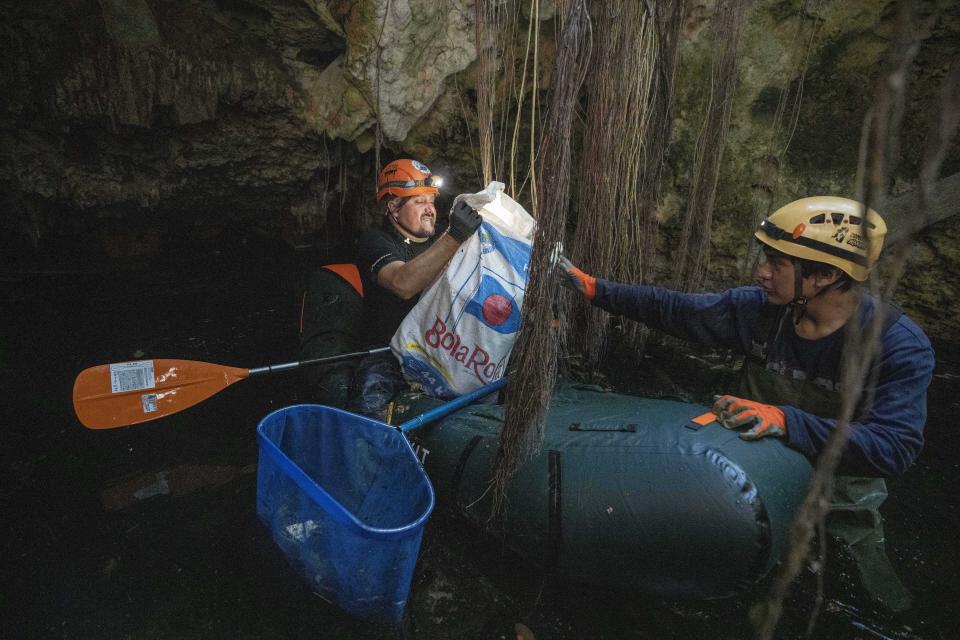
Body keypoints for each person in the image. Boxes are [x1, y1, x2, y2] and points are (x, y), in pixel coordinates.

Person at [558, 195, 934, 613]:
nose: (762, 272)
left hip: (840, 492)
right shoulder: (760, 312)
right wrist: (595, 289)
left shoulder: (897, 345)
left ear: (824, 275)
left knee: (865, 598)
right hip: (746, 467)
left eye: (777, 264)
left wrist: (786, 421)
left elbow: (895, 448)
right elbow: (677, 310)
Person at [349, 158, 482, 419]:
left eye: (431, 201)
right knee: (368, 397)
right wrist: (455, 237)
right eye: (419, 201)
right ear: (394, 208)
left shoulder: (446, 233)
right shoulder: (377, 241)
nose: (429, 208)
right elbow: (403, 283)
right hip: (389, 353)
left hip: (441, 347)